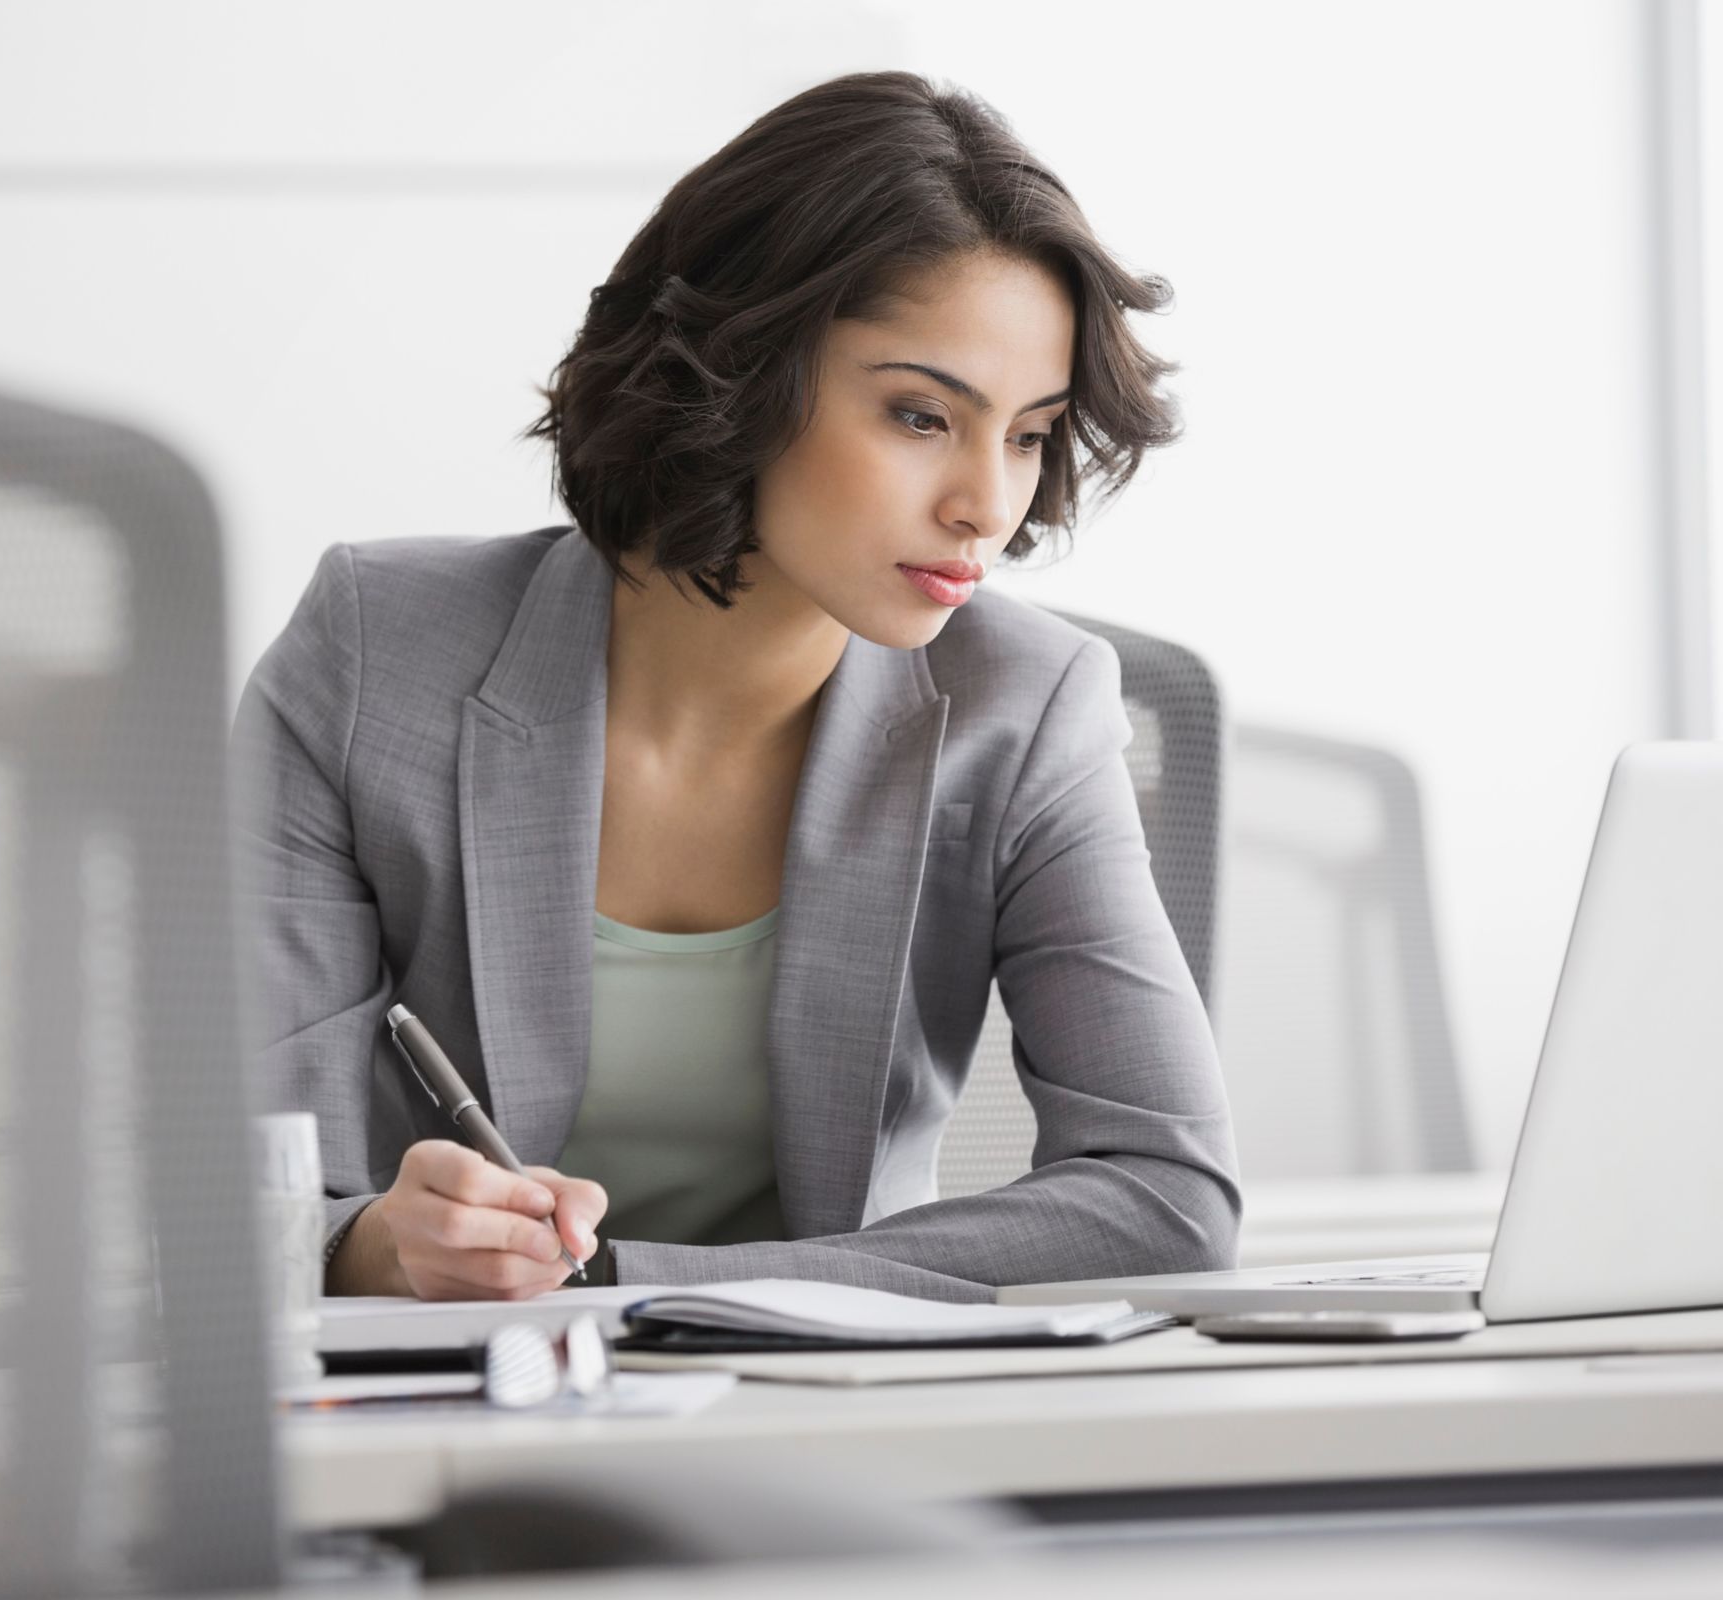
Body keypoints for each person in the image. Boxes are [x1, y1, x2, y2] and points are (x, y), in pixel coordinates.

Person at [228, 69, 1239, 1302]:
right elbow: (244, 1199)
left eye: (1028, 433)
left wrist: (633, 1291)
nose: (990, 501)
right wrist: (380, 1245)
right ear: (736, 366)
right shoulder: (375, 657)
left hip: (826, 1407)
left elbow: (1164, 1198)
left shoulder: (1029, 708)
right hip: (440, 1415)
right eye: (922, 416)